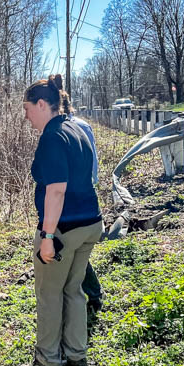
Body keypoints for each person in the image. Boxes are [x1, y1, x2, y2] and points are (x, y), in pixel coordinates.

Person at [19, 75, 103, 366]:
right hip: (91, 222)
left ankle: (49, 361)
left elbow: (56, 190)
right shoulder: (76, 128)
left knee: (49, 292)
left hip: (64, 229)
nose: (26, 116)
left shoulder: (53, 136)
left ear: (42, 104)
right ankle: (76, 355)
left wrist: (48, 237)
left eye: (27, 108)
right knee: (74, 290)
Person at [63, 98, 105, 314]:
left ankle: (91, 294)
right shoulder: (81, 126)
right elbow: (94, 165)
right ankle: (91, 294)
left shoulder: (67, 128)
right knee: (76, 250)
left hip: (73, 197)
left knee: (73, 249)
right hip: (84, 194)